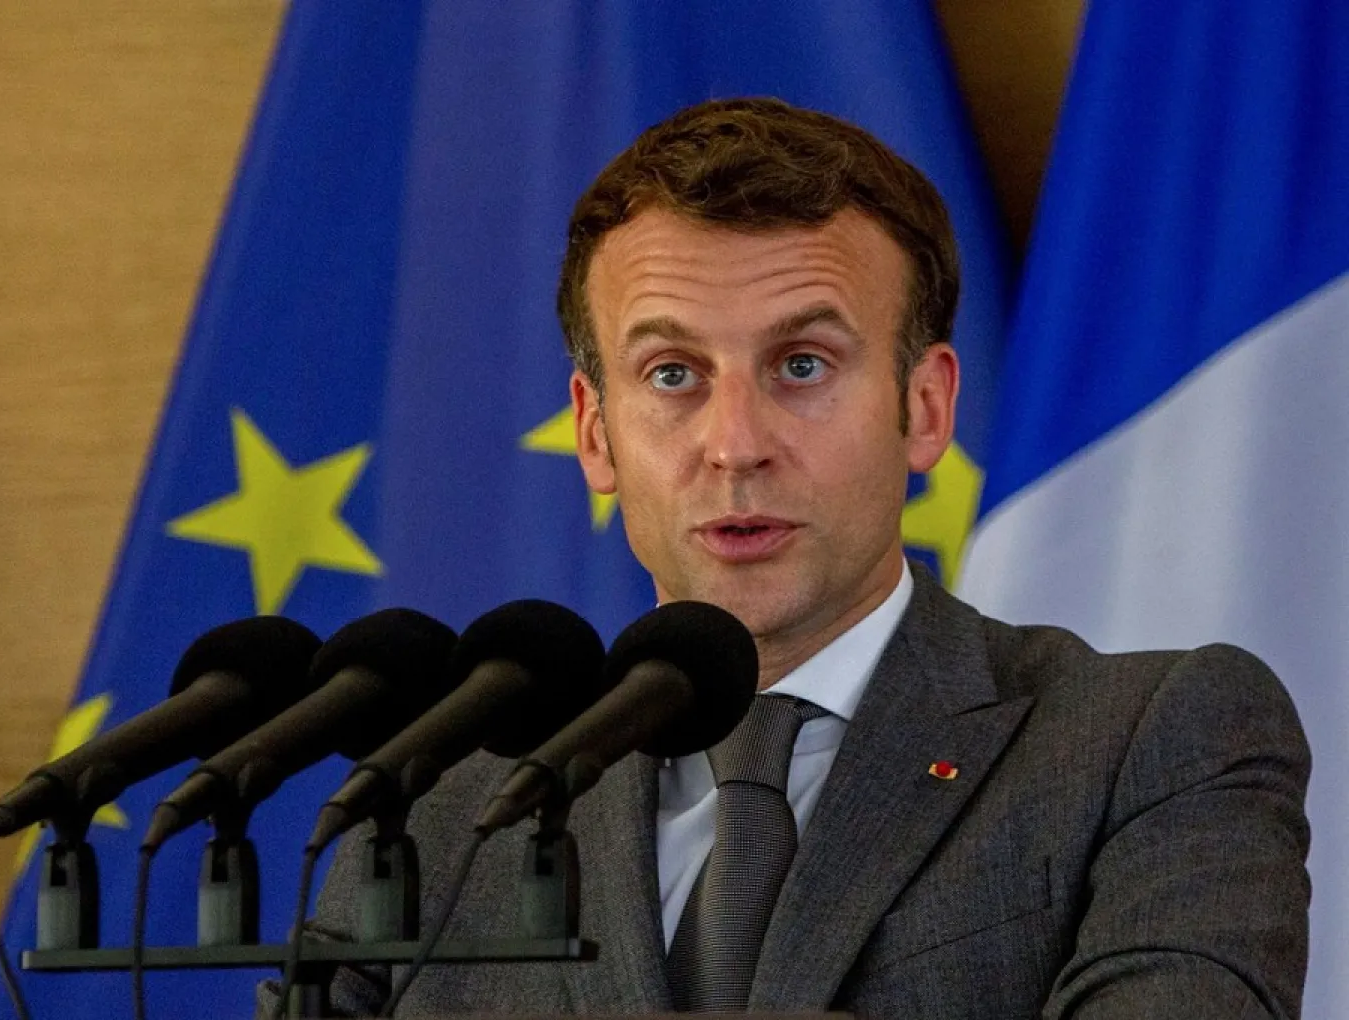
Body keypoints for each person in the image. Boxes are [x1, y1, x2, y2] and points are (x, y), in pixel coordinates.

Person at [260, 97, 1310, 1018]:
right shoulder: (439, 806)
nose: (736, 441)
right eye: (672, 373)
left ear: (926, 406)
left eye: (802, 364)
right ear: (594, 432)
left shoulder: (1149, 740)